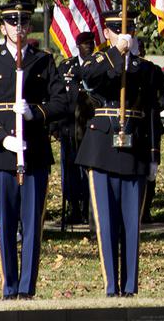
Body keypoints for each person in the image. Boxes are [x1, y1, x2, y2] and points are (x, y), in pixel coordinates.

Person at [0, 0, 68, 299]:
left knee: (32, 226)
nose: (19, 28)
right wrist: (1, 137)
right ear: (3, 28)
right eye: (13, 22)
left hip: (35, 151)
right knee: (6, 224)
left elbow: (62, 102)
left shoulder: (43, 61)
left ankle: (27, 288)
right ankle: (9, 286)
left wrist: (34, 113)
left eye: (24, 22)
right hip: (2, 155)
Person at [75, 10, 164, 297]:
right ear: (107, 34)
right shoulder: (100, 60)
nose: (124, 34)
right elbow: (88, 77)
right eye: (117, 30)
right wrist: (117, 53)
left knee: (131, 225)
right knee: (106, 223)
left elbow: (158, 103)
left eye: (128, 30)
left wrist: (154, 154)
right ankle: (110, 286)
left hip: (135, 147)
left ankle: (130, 286)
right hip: (102, 147)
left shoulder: (146, 69)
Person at [52, 31, 96, 226]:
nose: (90, 46)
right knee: (70, 169)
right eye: (85, 44)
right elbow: (58, 98)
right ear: (78, 46)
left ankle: (88, 207)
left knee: (90, 169)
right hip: (69, 129)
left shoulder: (99, 64)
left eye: (91, 43)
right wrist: (55, 126)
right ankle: (73, 208)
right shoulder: (66, 67)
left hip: (92, 129)